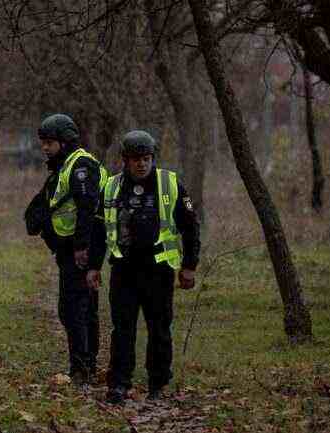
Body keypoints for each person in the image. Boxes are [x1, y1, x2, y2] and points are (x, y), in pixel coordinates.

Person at [86, 130, 201, 404]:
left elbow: (190, 227)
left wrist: (189, 265)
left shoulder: (171, 183)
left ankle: (157, 384)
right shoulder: (110, 187)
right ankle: (119, 384)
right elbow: (98, 231)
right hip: (123, 270)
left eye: (146, 158)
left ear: (152, 158)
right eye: (136, 159)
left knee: (159, 328)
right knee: (122, 329)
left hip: (158, 270)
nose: (142, 164)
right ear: (125, 160)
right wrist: (93, 267)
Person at [25, 113, 107, 387]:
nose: (44, 147)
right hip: (70, 250)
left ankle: (82, 369)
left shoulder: (81, 165)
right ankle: (85, 366)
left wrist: (82, 247)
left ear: (65, 141)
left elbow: (87, 208)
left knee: (75, 310)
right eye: (43, 142)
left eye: (49, 142)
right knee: (77, 309)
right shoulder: (65, 166)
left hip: (79, 251)